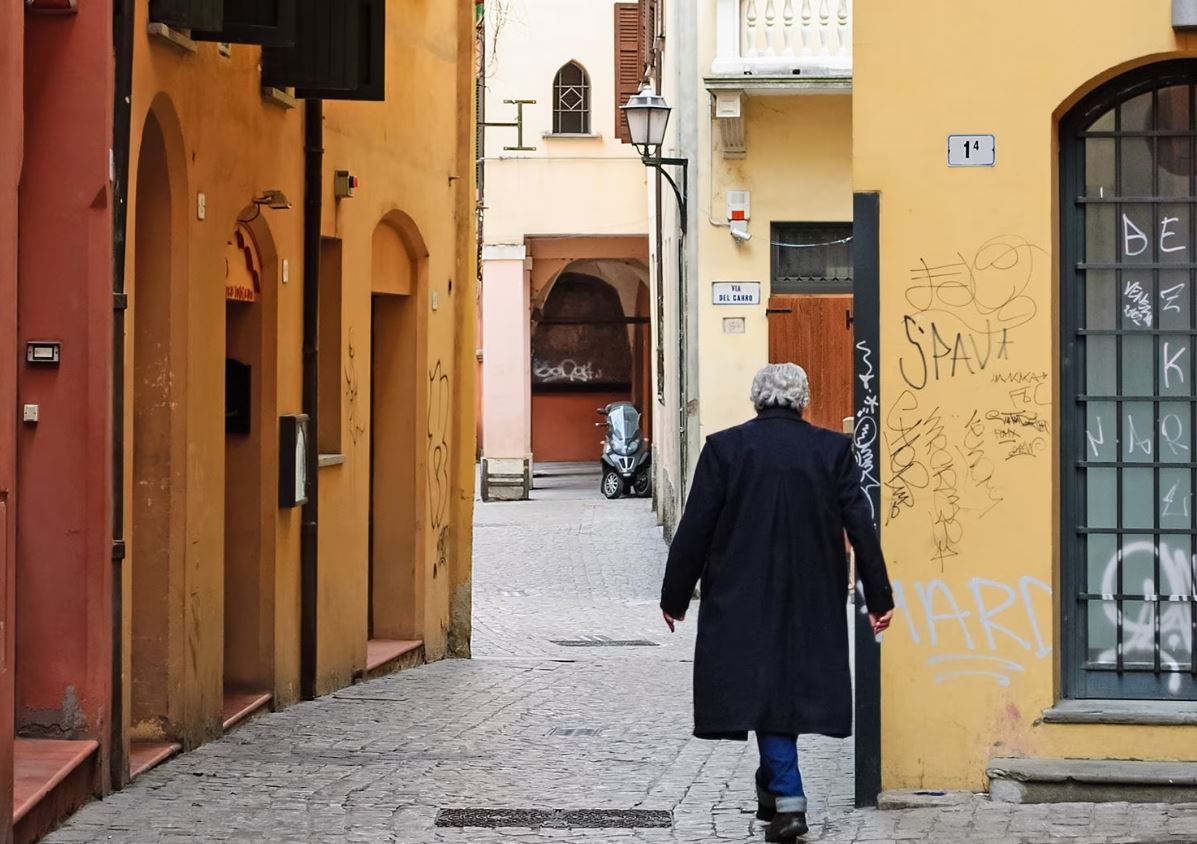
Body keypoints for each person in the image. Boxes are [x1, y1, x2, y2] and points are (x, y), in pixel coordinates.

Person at [659, 363, 894, 843]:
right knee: (782, 689)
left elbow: (696, 527)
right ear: (803, 400)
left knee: (764, 692)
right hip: (812, 596)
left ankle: (789, 802)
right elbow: (861, 527)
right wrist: (879, 598)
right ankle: (772, 790)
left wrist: (675, 597)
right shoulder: (832, 450)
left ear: (756, 399)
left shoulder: (725, 449)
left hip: (741, 596)